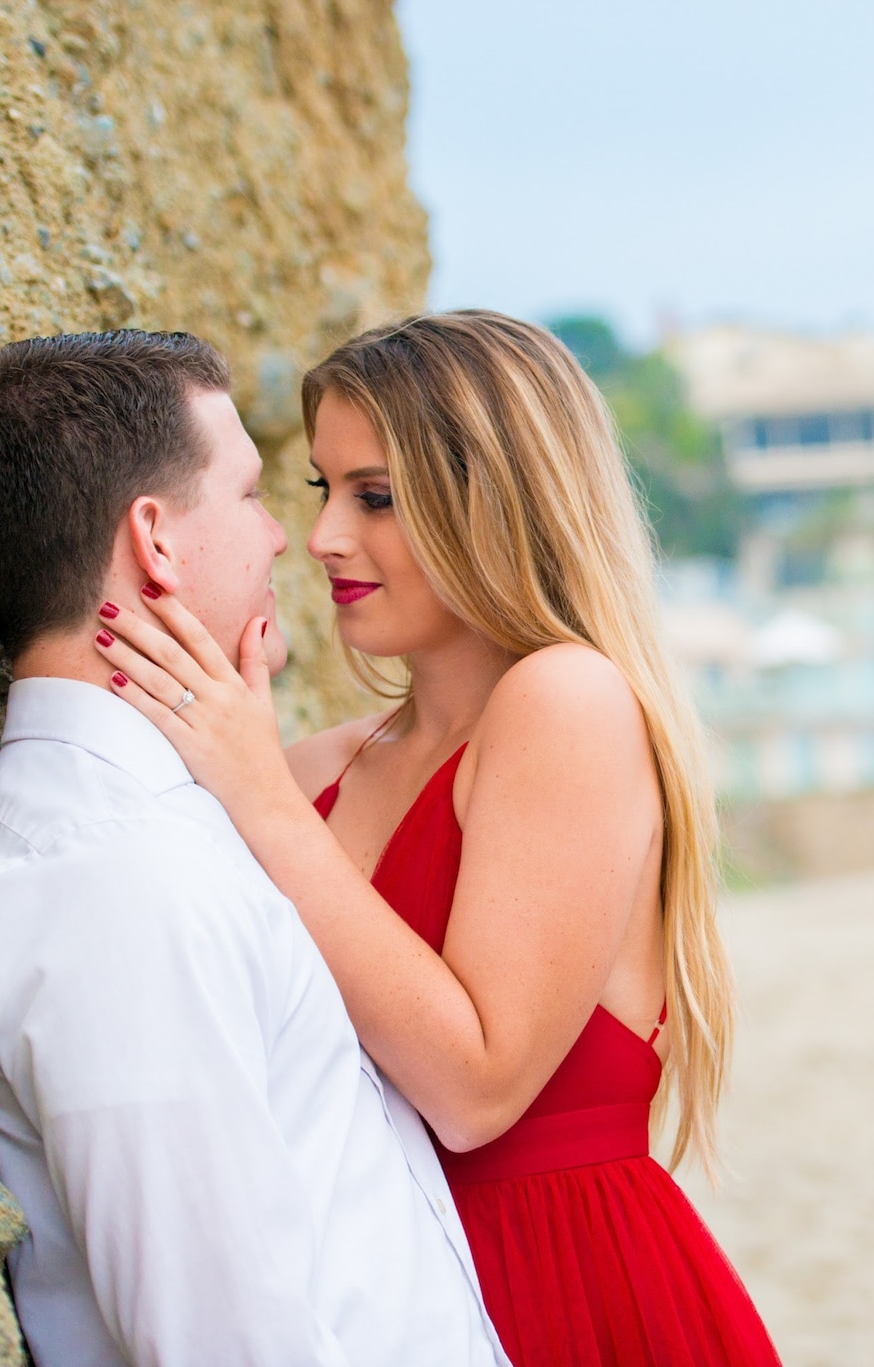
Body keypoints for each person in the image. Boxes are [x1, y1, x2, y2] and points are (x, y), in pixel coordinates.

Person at [89, 311, 782, 1366]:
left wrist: (252, 787)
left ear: (494, 501)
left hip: (565, 1289)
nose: (321, 537)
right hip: (381, 1295)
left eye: (376, 496)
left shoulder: (567, 700)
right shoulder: (309, 767)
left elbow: (474, 1088)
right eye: (322, 490)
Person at [0, 330, 508, 1367]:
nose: (288, 538)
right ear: (153, 539)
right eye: (250, 495)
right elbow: (224, 1340)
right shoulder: (115, 881)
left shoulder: (159, 832)